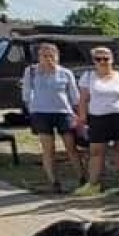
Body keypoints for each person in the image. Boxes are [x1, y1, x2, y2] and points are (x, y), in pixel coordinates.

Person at [75, 46, 119, 197]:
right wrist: (82, 117)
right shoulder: (88, 77)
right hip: (98, 117)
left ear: (112, 59)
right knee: (96, 151)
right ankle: (94, 183)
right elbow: (83, 99)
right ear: (94, 61)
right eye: (98, 59)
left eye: (106, 58)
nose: (102, 61)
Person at [21, 42, 82, 193]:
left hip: (63, 112)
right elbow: (26, 93)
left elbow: (74, 96)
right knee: (48, 149)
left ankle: (82, 178)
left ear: (57, 57)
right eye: (44, 56)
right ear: (39, 57)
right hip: (41, 112)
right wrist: (31, 109)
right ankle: (54, 182)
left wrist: (78, 114)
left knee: (71, 146)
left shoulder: (65, 73)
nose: (48, 59)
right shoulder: (31, 71)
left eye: (51, 56)